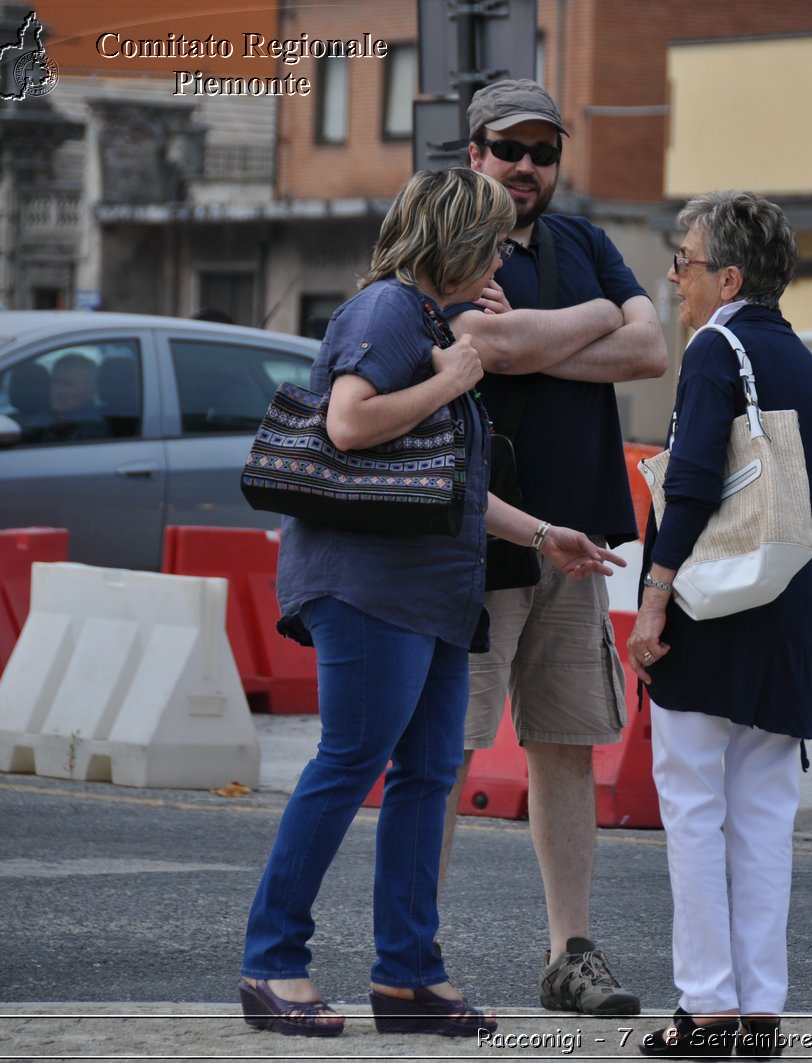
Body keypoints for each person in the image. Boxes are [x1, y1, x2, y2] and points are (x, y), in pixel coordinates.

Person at [238, 167, 623, 1039]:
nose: (499, 257)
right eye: (489, 241)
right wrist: (457, 374)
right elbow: (349, 423)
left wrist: (541, 534)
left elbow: (437, 479)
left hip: (439, 589)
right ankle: (273, 960)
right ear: (454, 239)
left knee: (423, 774)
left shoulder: (428, 321)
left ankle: (409, 975)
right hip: (372, 587)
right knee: (349, 762)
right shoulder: (384, 312)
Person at [440, 77, 668, 1017]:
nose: (527, 166)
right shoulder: (446, 233)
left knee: (566, 743)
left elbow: (653, 349)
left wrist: (527, 339)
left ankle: (570, 952)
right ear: (474, 154)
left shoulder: (585, 242)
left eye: (543, 151)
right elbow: (471, 340)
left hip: (580, 537)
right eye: (509, 149)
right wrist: (601, 318)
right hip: (477, 531)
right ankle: (414, 949)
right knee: (442, 751)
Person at [625, 191, 812, 1061]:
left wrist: (655, 594)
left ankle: (705, 1006)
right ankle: (759, 1011)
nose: (675, 275)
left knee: (693, 809)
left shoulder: (717, 347)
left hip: (711, 616)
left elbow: (695, 481)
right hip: (791, 619)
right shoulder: (802, 360)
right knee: (762, 821)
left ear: (730, 276)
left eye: (685, 259)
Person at [44, 354, 107, 441]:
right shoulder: (42, 421)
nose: (58, 391)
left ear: (90, 391)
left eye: (68, 384)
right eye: (55, 382)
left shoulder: (94, 430)